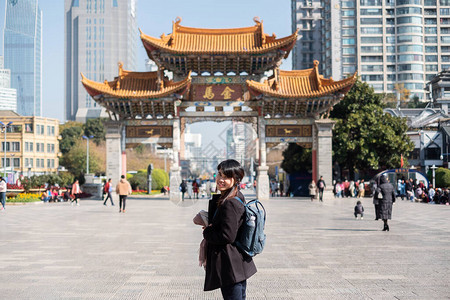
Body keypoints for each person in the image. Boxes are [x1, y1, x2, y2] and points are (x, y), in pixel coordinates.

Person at [203, 159, 256, 299]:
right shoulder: (235, 196)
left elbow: (227, 236)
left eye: (226, 177)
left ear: (236, 179)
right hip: (236, 263)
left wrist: (207, 230)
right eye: (219, 174)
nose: (220, 179)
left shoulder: (230, 203)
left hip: (231, 265)